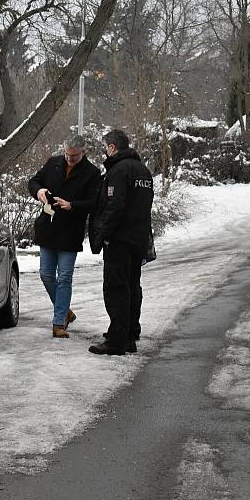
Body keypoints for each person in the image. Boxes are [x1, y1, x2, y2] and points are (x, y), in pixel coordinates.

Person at [28, 134, 101, 338]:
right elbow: (33, 182)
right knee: (46, 275)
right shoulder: (53, 163)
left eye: (74, 156)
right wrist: (39, 191)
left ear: (83, 152)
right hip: (48, 229)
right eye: (67, 155)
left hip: (70, 233)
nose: (70, 159)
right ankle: (65, 310)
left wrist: (72, 205)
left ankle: (58, 322)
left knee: (65, 278)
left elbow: (95, 203)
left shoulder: (92, 173)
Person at [88, 129, 154, 355]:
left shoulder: (119, 170)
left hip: (119, 239)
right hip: (138, 239)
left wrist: (103, 235)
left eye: (106, 147)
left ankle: (117, 340)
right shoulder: (143, 171)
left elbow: (114, 207)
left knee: (116, 288)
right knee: (132, 286)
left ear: (113, 147)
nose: (105, 151)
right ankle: (129, 333)